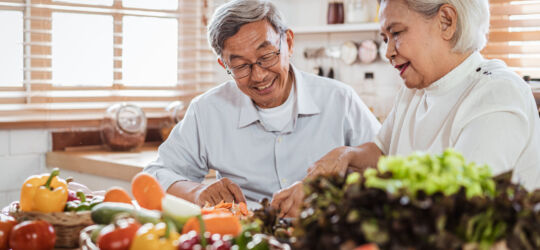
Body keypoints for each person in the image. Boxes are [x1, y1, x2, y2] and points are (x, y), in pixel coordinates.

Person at [273, 0, 540, 216]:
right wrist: (346, 155)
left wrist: (336, 202)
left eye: (397, 33)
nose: (388, 51)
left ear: (446, 21)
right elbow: (382, 153)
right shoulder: (415, 90)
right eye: (384, 38)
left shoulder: (496, 93)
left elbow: (457, 206)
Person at [144, 0, 380, 208]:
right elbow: (155, 175)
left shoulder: (340, 100)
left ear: (288, 42)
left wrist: (345, 160)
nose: (258, 76)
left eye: (266, 57)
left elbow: (387, 163)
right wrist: (196, 192)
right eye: (240, 66)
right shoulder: (208, 110)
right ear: (223, 64)